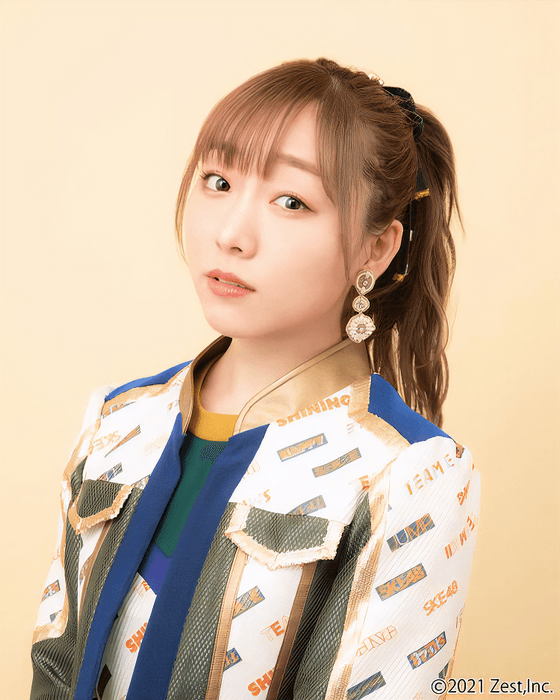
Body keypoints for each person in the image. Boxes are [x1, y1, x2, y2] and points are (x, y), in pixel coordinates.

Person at [30, 58, 480, 700]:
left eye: (291, 201)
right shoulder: (117, 420)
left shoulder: (408, 472)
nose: (232, 234)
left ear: (377, 248)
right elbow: (53, 666)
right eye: (217, 181)